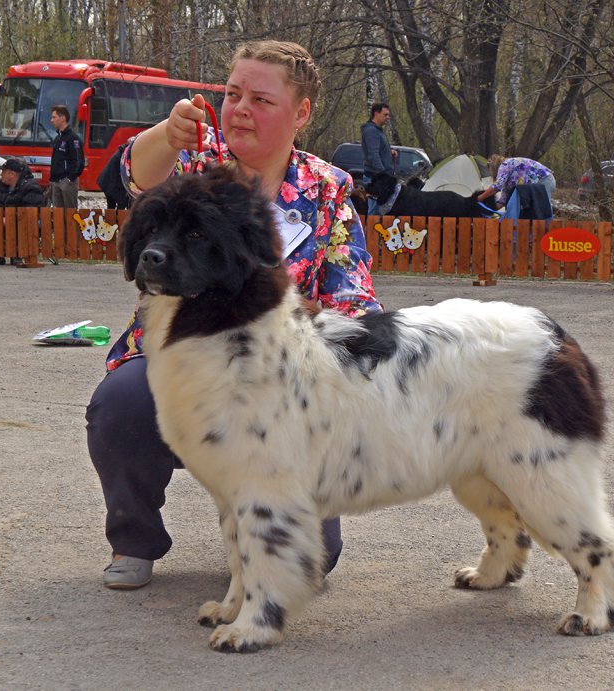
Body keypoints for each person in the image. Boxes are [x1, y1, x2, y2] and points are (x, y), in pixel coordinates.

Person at [86, 40, 382, 589]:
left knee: (316, 558)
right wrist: (166, 134)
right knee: (120, 405)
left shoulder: (328, 189)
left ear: (301, 113)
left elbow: (355, 300)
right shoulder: (194, 159)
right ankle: (134, 540)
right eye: (232, 94)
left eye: (261, 100)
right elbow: (129, 176)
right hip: (177, 360)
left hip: (278, 380)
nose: (241, 108)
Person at [0, 158, 45, 265]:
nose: (1, 174)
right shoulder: (0, 186)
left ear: (11, 174)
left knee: (19, 224)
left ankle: (17, 254)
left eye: (3, 172)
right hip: (2, 220)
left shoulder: (31, 188)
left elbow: (31, 211)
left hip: (25, 224)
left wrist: (9, 218)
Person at [477, 155, 556, 207]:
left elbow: (497, 186)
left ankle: (548, 229)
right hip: (544, 181)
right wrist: (490, 210)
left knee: (543, 210)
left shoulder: (505, 165)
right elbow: (503, 199)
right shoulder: (509, 177)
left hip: (544, 179)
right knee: (536, 210)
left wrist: (479, 198)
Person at [360, 102, 397, 215]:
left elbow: (377, 150)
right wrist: (384, 175)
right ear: (376, 114)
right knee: (374, 211)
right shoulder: (371, 131)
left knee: (381, 211)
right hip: (375, 178)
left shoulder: (377, 130)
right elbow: (373, 155)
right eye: (385, 114)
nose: (388, 117)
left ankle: (376, 232)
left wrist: (389, 153)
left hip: (379, 177)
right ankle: (369, 233)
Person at [49, 105, 84, 208]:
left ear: (63, 118)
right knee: (58, 216)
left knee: (70, 214)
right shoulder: (58, 138)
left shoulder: (73, 138)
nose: (51, 120)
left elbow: (79, 161)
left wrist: (70, 179)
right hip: (56, 181)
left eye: (54, 117)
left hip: (67, 182)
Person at [96, 143, 130, 210]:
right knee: (122, 202)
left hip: (108, 182)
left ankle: (113, 218)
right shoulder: (124, 156)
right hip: (110, 183)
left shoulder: (122, 152)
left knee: (113, 205)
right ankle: (117, 219)